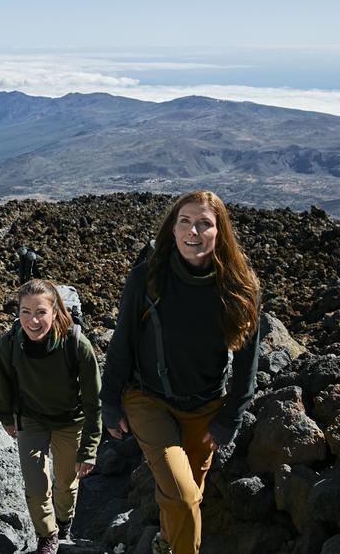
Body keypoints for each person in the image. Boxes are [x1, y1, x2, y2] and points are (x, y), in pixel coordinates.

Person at [100, 190, 261, 554]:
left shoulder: (240, 287)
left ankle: (166, 543)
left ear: (221, 232)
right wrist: (110, 401)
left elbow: (248, 363)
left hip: (205, 410)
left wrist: (229, 419)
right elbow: (122, 341)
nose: (194, 231)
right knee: (185, 495)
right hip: (148, 400)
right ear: (172, 229)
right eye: (185, 221)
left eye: (205, 224)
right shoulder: (147, 279)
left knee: (186, 495)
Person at [0, 278, 102, 554]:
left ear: (55, 312)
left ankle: (64, 523)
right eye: (25, 312)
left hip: (70, 421)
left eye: (41, 312)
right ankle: (47, 535)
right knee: (36, 484)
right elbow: (4, 384)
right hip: (31, 420)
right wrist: (6, 418)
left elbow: (94, 402)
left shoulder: (77, 345)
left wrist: (89, 448)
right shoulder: (9, 344)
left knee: (65, 484)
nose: (32, 321)